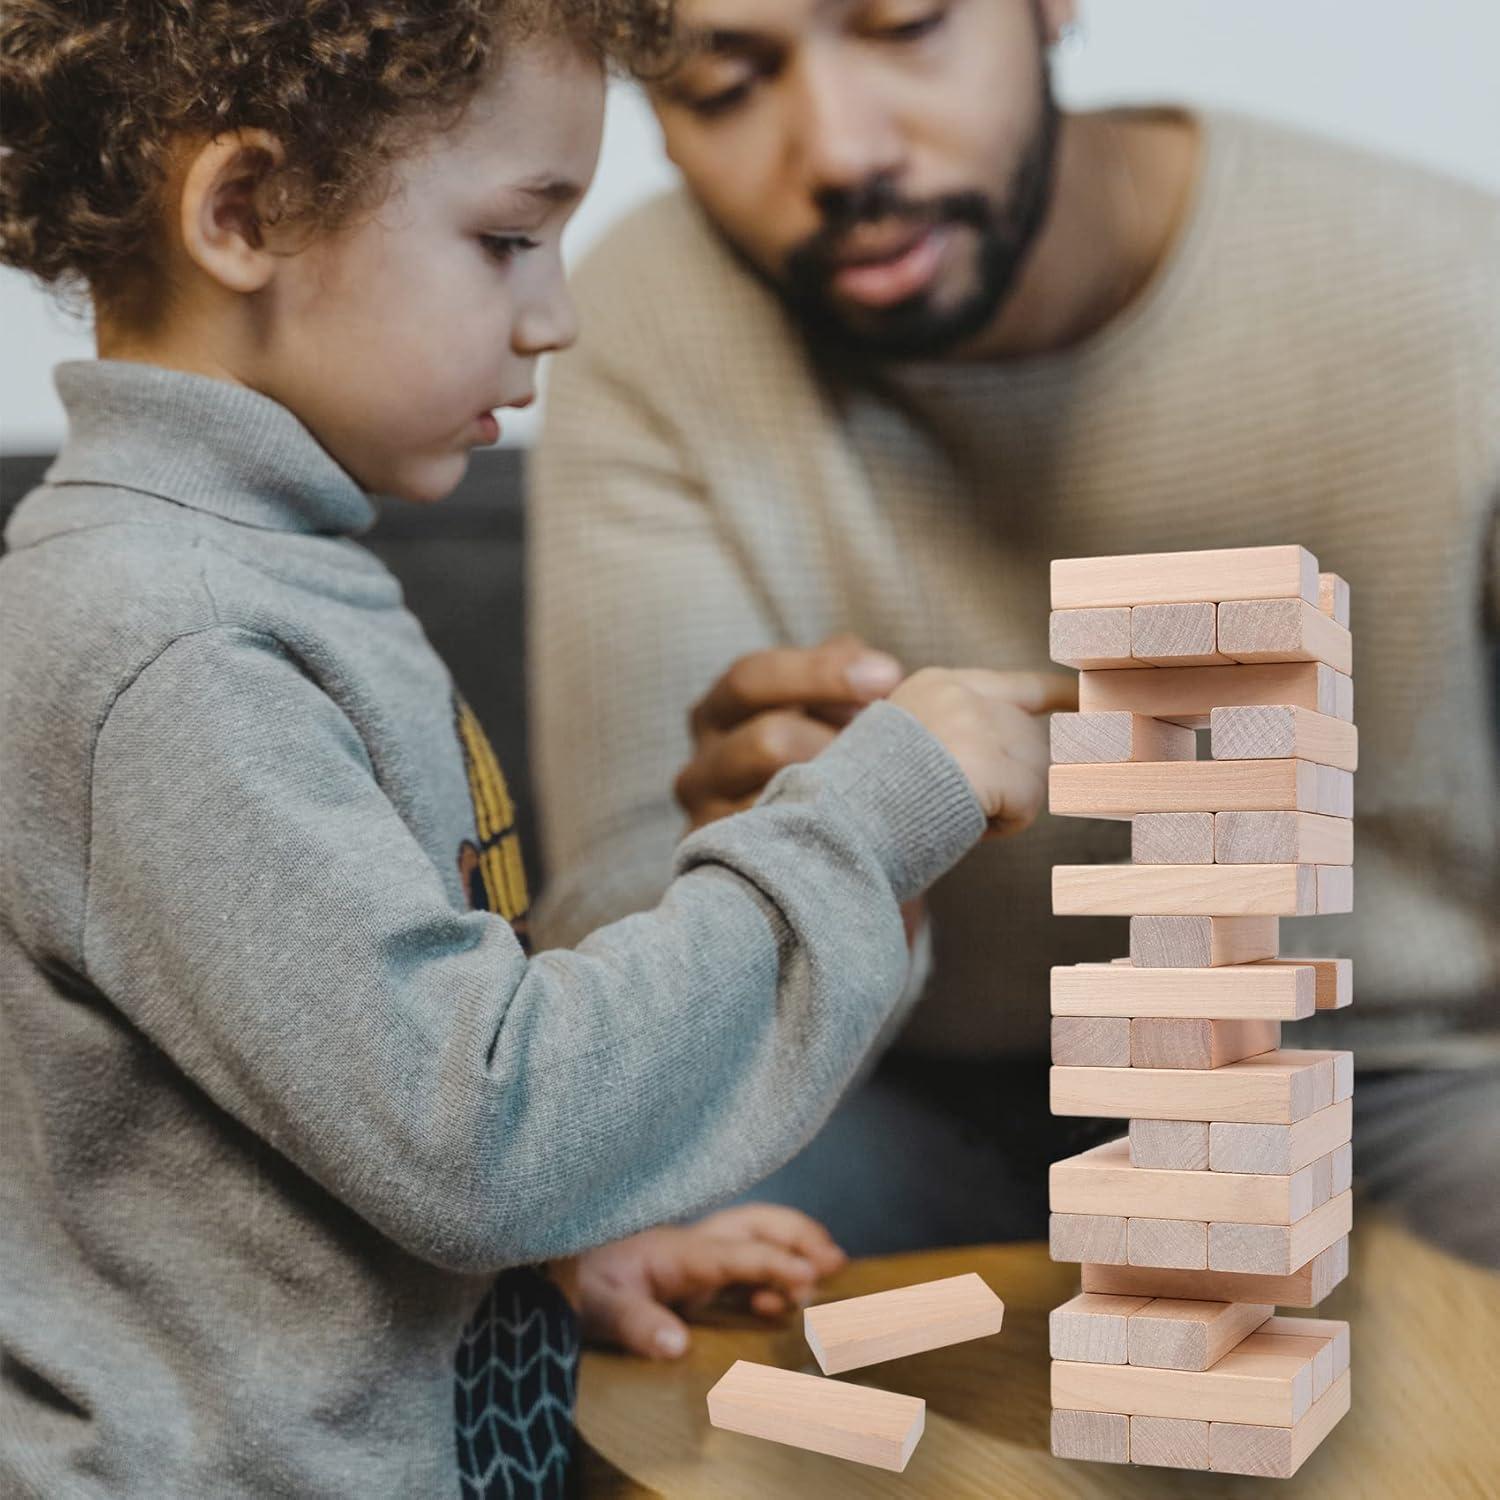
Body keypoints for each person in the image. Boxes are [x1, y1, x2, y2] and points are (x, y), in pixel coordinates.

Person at [0, 3, 1070, 1495]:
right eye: (510, 239)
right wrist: (878, 810)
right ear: (242, 215)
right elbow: (474, 1132)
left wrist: (557, 1257)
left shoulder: (272, 578)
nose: (555, 313)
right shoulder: (172, 647)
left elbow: (344, 1104)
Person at [530, 0, 1500, 1263]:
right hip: (916, 1103)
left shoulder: (1448, 291)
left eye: (906, 24)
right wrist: (803, 882)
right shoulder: (645, 321)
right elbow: (615, 1042)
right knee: (617, 1236)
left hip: (1395, 1083)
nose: (840, 152)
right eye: (723, 84)